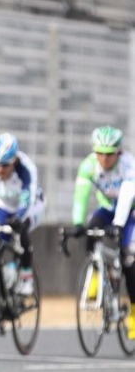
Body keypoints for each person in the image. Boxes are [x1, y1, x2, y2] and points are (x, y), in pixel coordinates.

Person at [71, 125, 135, 339]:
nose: (104, 159)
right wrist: (78, 223)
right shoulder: (88, 166)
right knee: (90, 231)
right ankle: (97, 271)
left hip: (130, 211)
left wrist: (118, 224)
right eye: (99, 153)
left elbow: (126, 197)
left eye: (109, 154)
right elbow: (81, 195)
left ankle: (134, 310)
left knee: (128, 259)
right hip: (107, 208)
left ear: (118, 152)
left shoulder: (128, 165)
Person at [0, 133, 46, 296]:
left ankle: (27, 277)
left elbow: (26, 200)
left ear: (14, 160)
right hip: (5, 207)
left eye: (5, 165)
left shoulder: (26, 169)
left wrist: (19, 218)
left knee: (21, 231)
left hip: (31, 206)